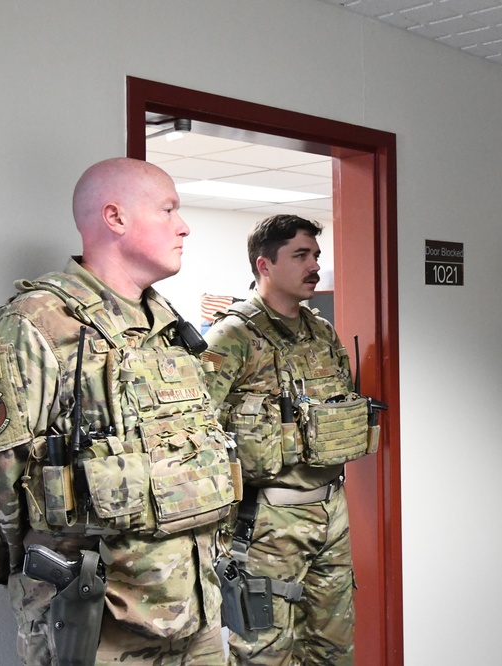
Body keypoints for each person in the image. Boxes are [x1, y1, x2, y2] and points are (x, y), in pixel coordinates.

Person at [0, 158, 238, 665]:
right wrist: (33, 569)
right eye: (168, 210)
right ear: (115, 218)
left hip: (196, 615)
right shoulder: (36, 326)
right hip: (98, 624)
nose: (183, 226)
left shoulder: (169, 327)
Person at [202, 214, 379, 665]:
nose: (314, 265)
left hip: (330, 512)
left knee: (334, 647)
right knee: (265, 652)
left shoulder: (321, 333)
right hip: (266, 523)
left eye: (316, 255)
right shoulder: (233, 336)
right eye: (301, 255)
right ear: (264, 264)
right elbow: (196, 432)